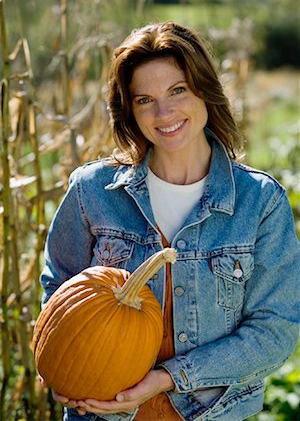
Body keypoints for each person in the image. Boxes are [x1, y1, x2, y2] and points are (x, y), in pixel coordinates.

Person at [39, 21, 300, 421]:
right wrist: (63, 360)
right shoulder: (91, 191)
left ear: (204, 91)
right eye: (145, 100)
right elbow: (59, 291)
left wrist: (168, 378)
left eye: (177, 90)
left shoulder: (259, 202)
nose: (164, 113)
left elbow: (275, 331)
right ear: (129, 109)